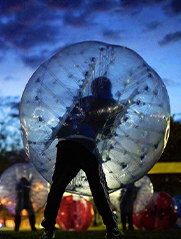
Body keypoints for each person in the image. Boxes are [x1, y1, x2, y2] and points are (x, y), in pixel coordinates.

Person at [40, 77, 123, 239]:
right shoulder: (109, 105)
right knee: (98, 187)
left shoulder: (81, 102)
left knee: (57, 186)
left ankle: (48, 228)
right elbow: (107, 133)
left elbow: (64, 124)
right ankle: (111, 228)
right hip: (86, 146)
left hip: (66, 145)